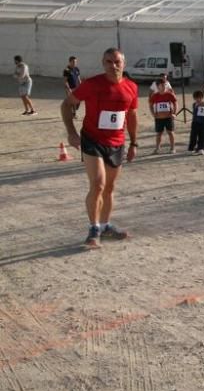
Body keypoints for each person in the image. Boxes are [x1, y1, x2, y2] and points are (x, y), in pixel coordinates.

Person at [61, 47, 139, 248]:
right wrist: (71, 132)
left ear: (124, 63)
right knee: (98, 183)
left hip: (117, 142)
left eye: (116, 62)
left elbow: (131, 115)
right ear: (103, 64)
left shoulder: (131, 87)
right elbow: (66, 104)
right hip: (92, 140)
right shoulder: (92, 84)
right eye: (108, 62)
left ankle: (105, 226)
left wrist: (134, 142)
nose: (113, 66)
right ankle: (93, 229)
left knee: (110, 188)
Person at [148, 78, 178, 154]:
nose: (164, 86)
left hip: (168, 117)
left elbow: (175, 103)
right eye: (162, 85)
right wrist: (153, 113)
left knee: (170, 132)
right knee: (159, 134)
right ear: (158, 86)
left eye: (164, 85)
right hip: (159, 118)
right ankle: (157, 149)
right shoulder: (155, 96)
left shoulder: (170, 94)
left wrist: (174, 113)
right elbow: (151, 105)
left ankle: (172, 148)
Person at [188, 90, 204, 155]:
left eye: (200, 98)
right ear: (194, 98)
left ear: (202, 97)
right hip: (195, 123)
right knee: (193, 136)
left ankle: (200, 148)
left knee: (202, 136)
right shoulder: (195, 104)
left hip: (203, 123)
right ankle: (191, 149)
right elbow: (198, 105)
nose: (198, 99)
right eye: (197, 98)